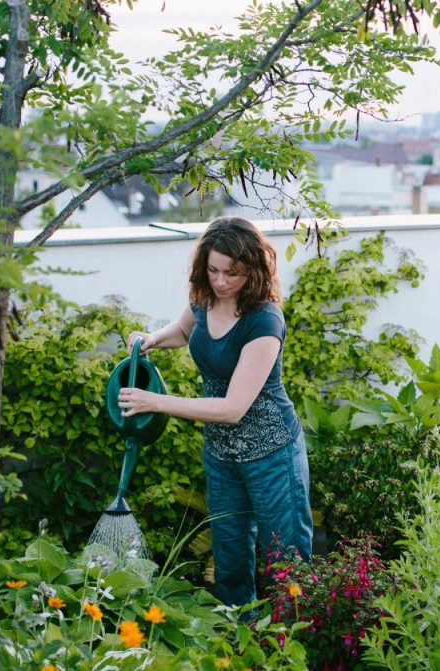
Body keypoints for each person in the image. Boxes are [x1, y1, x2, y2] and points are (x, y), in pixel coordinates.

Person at [118, 216, 312, 609]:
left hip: (272, 454)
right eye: (212, 269)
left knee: (286, 563)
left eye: (232, 273)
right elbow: (186, 331)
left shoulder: (264, 320)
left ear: (254, 270)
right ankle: (240, 645)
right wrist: (152, 339)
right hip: (222, 457)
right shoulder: (204, 299)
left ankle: (294, 644)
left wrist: (153, 401)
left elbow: (232, 408)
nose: (220, 281)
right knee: (230, 564)